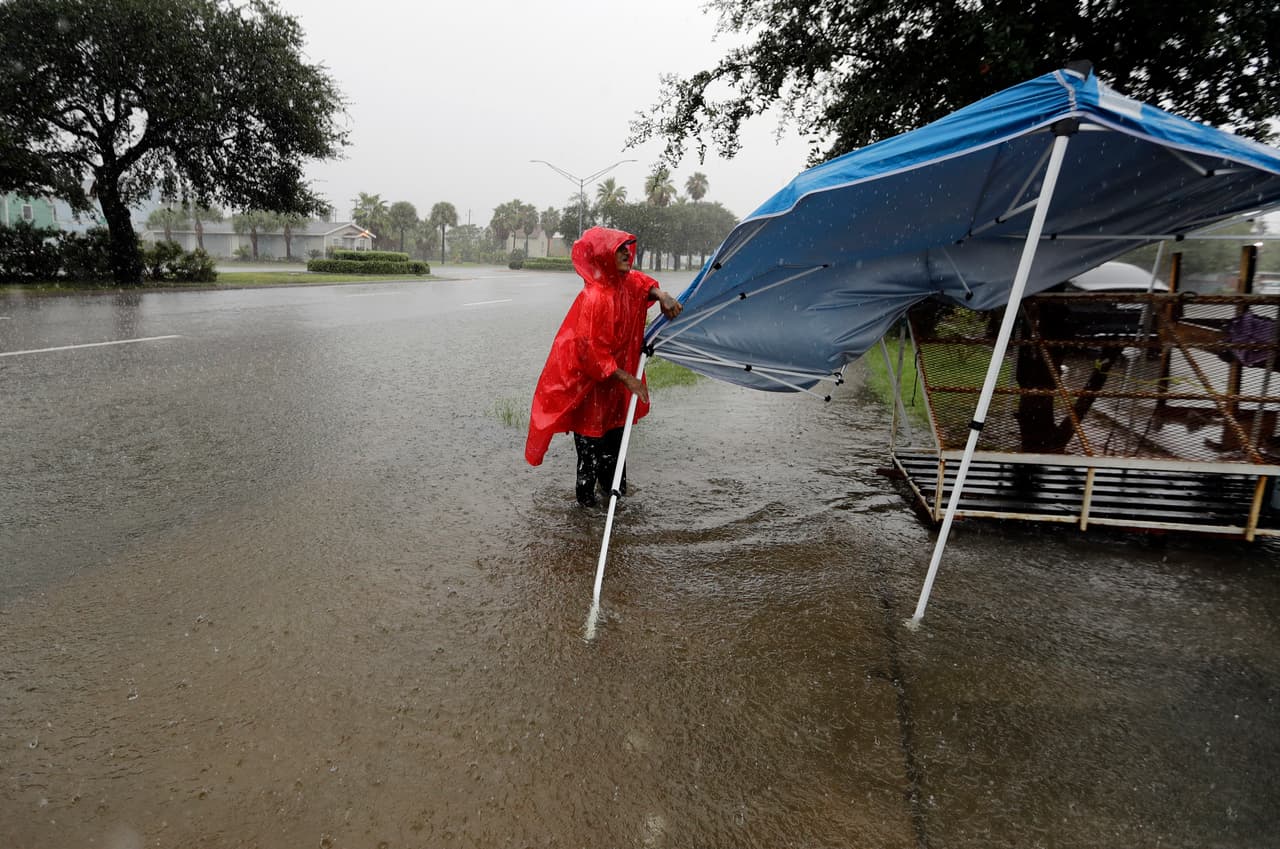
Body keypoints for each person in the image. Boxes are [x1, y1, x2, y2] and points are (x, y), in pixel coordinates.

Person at [525, 226, 682, 506]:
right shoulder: (595, 298)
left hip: (615, 394)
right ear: (602, 254)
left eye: (627, 247)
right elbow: (590, 355)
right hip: (591, 394)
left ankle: (616, 512)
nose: (626, 253)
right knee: (589, 464)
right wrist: (628, 379)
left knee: (616, 461)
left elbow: (642, 283)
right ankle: (585, 526)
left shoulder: (626, 283)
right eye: (619, 248)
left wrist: (661, 294)